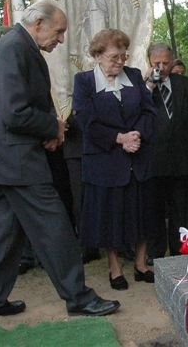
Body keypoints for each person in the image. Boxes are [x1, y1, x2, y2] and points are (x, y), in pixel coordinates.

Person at [0, 0, 120, 322]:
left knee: (3, 232)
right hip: (18, 161)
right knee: (55, 228)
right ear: (38, 23)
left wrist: (49, 128)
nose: (61, 39)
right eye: (59, 31)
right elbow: (14, 112)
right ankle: (78, 296)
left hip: (6, 159)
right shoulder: (13, 50)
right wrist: (52, 126)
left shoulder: (15, 48)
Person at [73, 29, 156, 290]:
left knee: (142, 212)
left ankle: (141, 264)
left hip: (137, 158)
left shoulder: (134, 76)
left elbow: (149, 111)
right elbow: (85, 119)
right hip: (104, 161)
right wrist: (119, 138)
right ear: (97, 55)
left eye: (124, 56)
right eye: (114, 57)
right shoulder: (84, 81)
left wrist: (136, 134)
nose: (120, 61)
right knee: (109, 215)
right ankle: (115, 268)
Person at [144, 43, 188, 261]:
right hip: (153, 160)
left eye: (166, 62)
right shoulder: (142, 86)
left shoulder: (184, 83)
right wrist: (149, 86)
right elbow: (136, 111)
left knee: (181, 209)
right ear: (149, 62)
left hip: (181, 158)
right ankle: (156, 253)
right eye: (157, 63)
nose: (162, 67)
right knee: (154, 210)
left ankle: (179, 251)